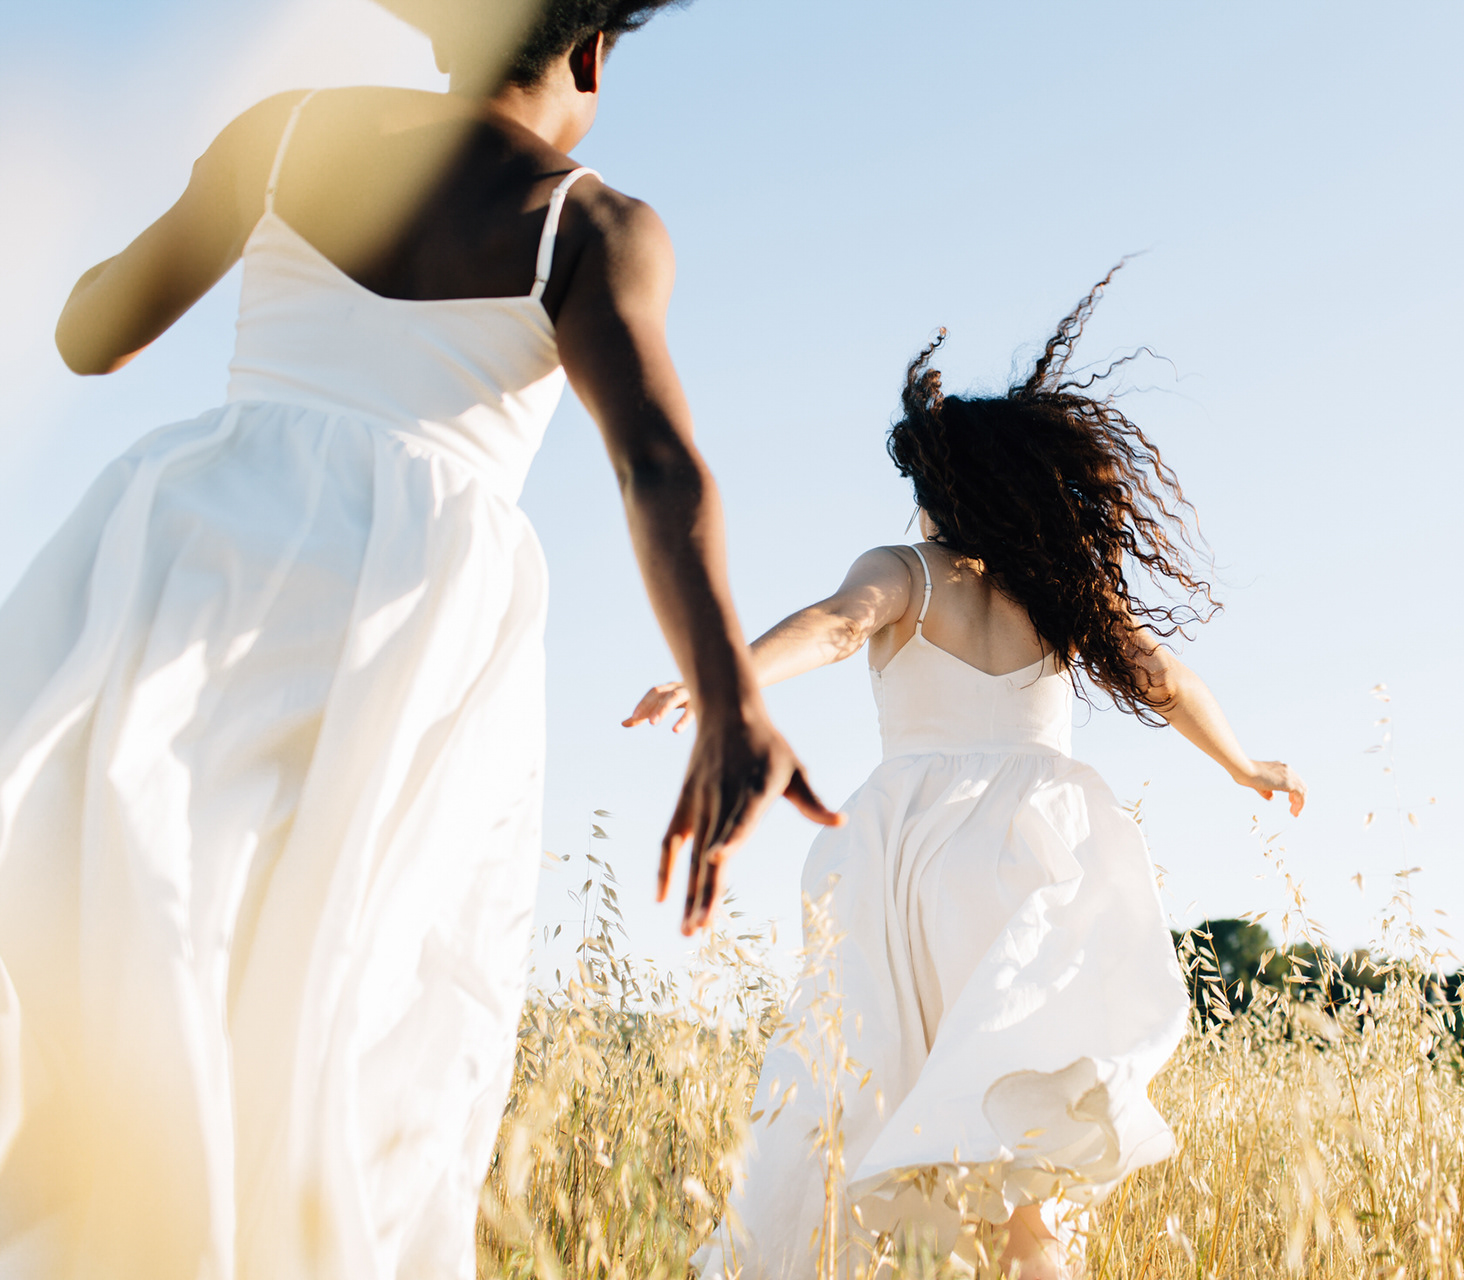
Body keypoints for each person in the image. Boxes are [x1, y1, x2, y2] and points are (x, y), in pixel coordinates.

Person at [0, 3, 838, 1276]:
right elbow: (657, 466)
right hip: (401, 642)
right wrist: (731, 699)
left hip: (186, 568)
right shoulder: (590, 225)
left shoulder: (285, 135)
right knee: (338, 1031)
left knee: (115, 950)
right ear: (591, 51)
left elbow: (89, 333)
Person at [628, 270, 1307, 1279]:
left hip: (914, 848)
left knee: (865, 1087)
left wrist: (719, 674)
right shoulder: (1059, 590)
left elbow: (837, 626)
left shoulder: (907, 569)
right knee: (1024, 1145)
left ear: (940, 491)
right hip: (1045, 844)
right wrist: (1244, 764)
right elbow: (1165, 679)